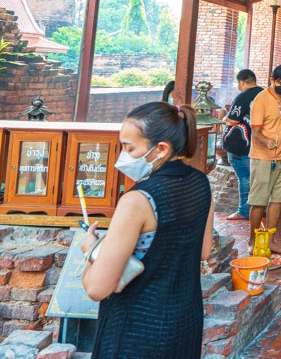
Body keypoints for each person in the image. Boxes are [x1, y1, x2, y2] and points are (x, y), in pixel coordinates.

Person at [83, 102, 214, 359]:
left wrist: (91, 251)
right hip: (183, 323)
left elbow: (97, 288)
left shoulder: (138, 200)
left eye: (129, 148)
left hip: (137, 331)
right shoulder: (201, 182)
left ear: (161, 149)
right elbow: (204, 251)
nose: (123, 155)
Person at [248, 64, 281, 265]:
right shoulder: (261, 100)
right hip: (262, 158)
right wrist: (266, 141)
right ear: (272, 80)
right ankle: (253, 240)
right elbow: (255, 132)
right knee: (259, 201)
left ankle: (270, 239)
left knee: (277, 199)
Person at [220, 69, 263, 221]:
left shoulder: (243, 96)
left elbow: (233, 120)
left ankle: (244, 211)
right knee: (258, 179)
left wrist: (223, 117)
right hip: (262, 144)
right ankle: (258, 209)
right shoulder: (265, 94)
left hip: (244, 145)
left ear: (242, 82)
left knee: (245, 177)